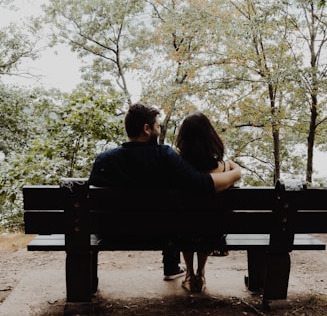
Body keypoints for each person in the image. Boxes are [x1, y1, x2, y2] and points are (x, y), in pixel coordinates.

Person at [88, 103, 241, 281]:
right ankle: (172, 267)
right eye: (157, 126)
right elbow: (203, 184)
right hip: (159, 235)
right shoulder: (165, 157)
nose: (159, 130)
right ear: (147, 129)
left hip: (110, 234)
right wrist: (235, 173)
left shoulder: (104, 161)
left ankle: (88, 282)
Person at [175, 112, 231, 292]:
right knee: (207, 222)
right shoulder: (223, 168)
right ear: (210, 136)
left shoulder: (178, 167)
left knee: (185, 224)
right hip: (213, 233)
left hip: (182, 231)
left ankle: (190, 274)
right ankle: (201, 273)